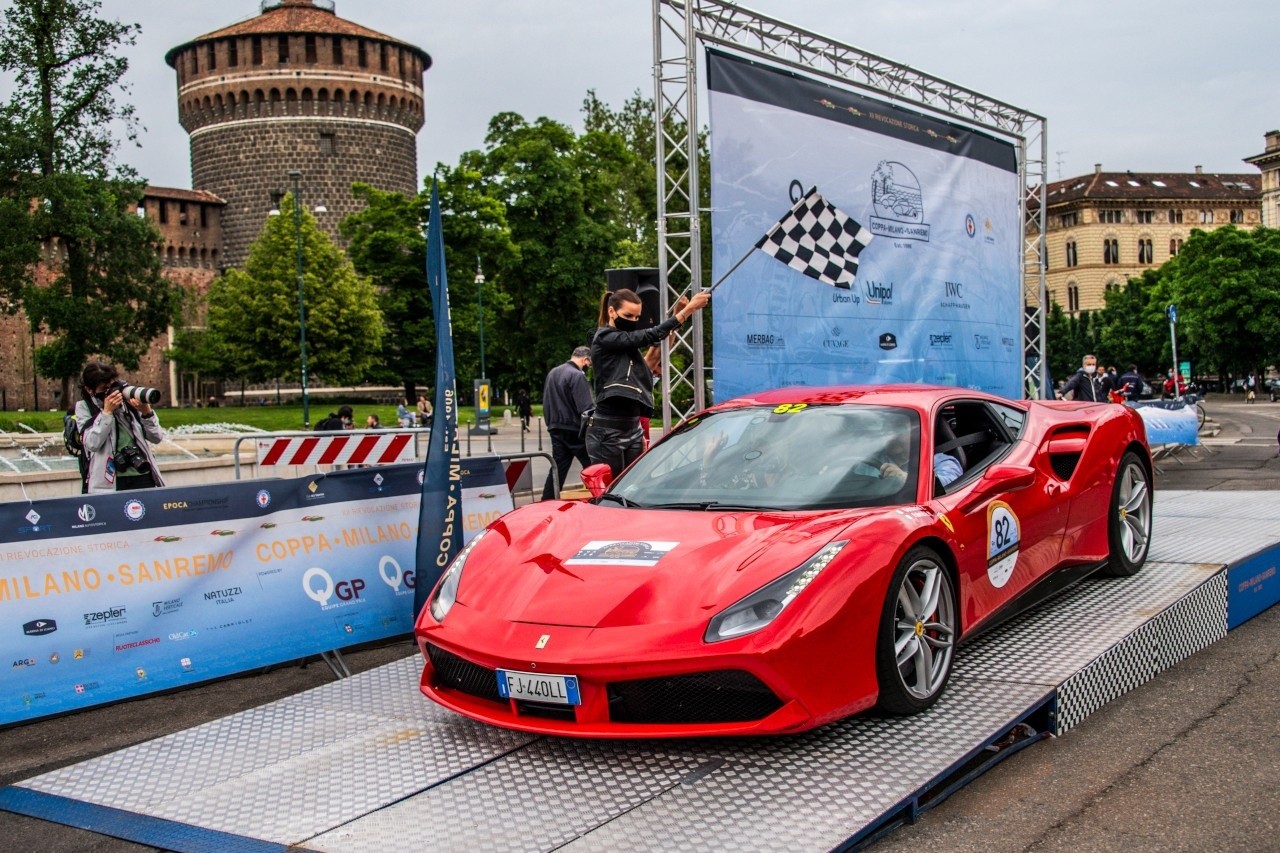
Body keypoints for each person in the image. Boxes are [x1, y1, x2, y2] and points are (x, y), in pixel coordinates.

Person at [587, 288, 711, 477]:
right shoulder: (605, 337)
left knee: (632, 486)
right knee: (610, 491)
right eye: (628, 315)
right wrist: (687, 312)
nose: (633, 321)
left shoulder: (628, 350)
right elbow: (650, 336)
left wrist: (677, 319)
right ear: (611, 311)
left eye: (637, 318)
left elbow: (654, 356)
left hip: (632, 427)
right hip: (608, 429)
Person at [74, 360, 166, 494]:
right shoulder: (84, 407)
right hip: (111, 481)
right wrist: (106, 413)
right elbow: (91, 444)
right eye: (104, 389)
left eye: (111, 386)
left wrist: (147, 412)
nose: (110, 392)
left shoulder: (128, 401)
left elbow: (156, 437)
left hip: (141, 473)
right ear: (89, 389)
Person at [541, 346, 594, 500]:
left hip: (555, 427)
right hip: (574, 429)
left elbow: (547, 401)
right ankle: (603, 499)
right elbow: (586, 407)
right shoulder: (577, 375)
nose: (588, 368)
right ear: (585, 360)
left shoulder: (553, 373)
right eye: (589, 365)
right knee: (593, 466)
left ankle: (547, 501)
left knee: (557, 470)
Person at [877, 429, 963, 488]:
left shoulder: (938, 461)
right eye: (888, 431)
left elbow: (950, 485)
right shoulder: (872, 455)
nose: (892, 436)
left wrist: (905, 478)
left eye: (901, 431)